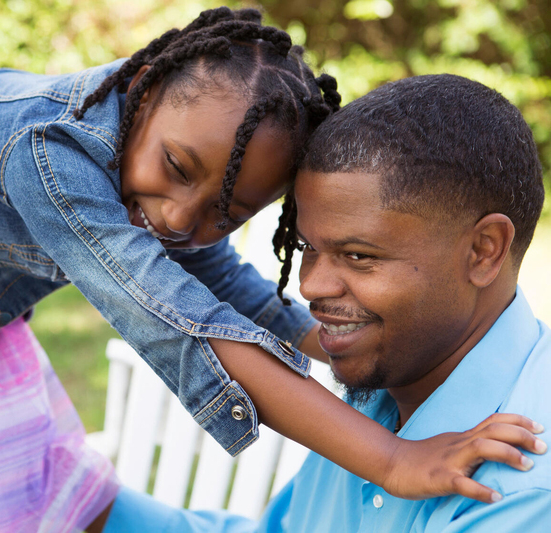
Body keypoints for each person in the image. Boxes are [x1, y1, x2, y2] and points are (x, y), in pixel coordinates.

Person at [0, 7, 542, 531]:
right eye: (176, 167)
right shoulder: (47, 154)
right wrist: (392, 460)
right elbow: (177, 320)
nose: (178, 220)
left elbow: (218, 282)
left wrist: (349, 342)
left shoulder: (521, 483)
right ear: (144, 88)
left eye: (226, 214)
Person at [98, 73, 550, 532]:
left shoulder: (524, 482)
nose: (310, 285)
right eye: (308, 248)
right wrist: (87, 505)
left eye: (358, 256)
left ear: (484, 250)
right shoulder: (387, 379)